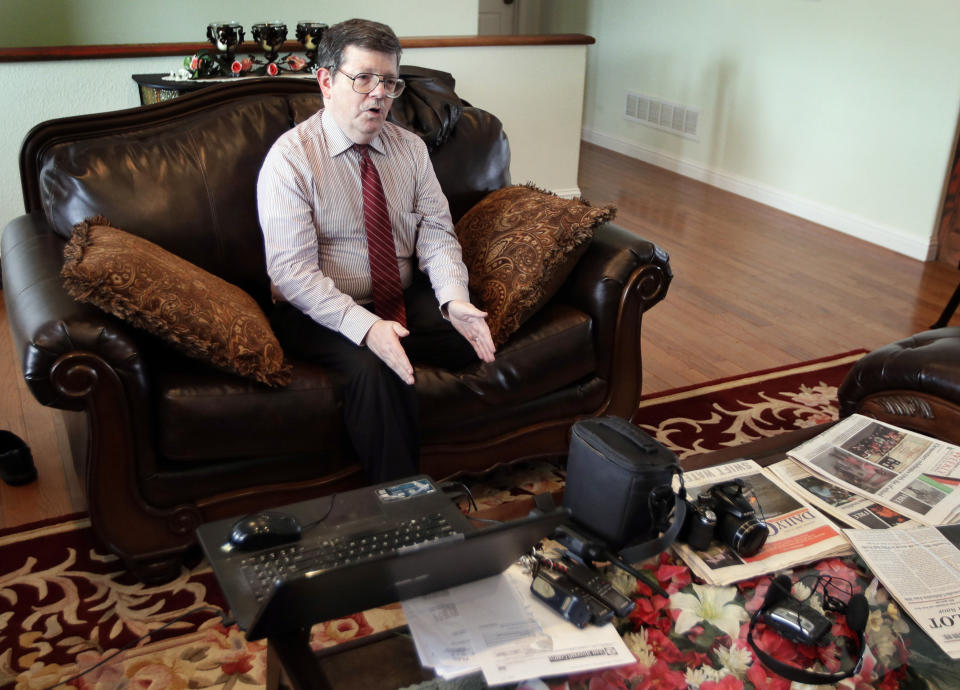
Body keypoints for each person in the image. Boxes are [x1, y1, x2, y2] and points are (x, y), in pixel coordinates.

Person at [257, 18, 495, 484]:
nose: (379, 94)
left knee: (471, 336)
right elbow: (291, 273)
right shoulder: (291, 159)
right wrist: (366, 329)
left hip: (399, 295)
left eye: (389, 81)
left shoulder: (411, 150)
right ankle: (405, 512)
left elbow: (437, 234)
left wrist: (453, 299)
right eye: (363, 78)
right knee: (377, 368)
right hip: (317, 309)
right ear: (326, 81)